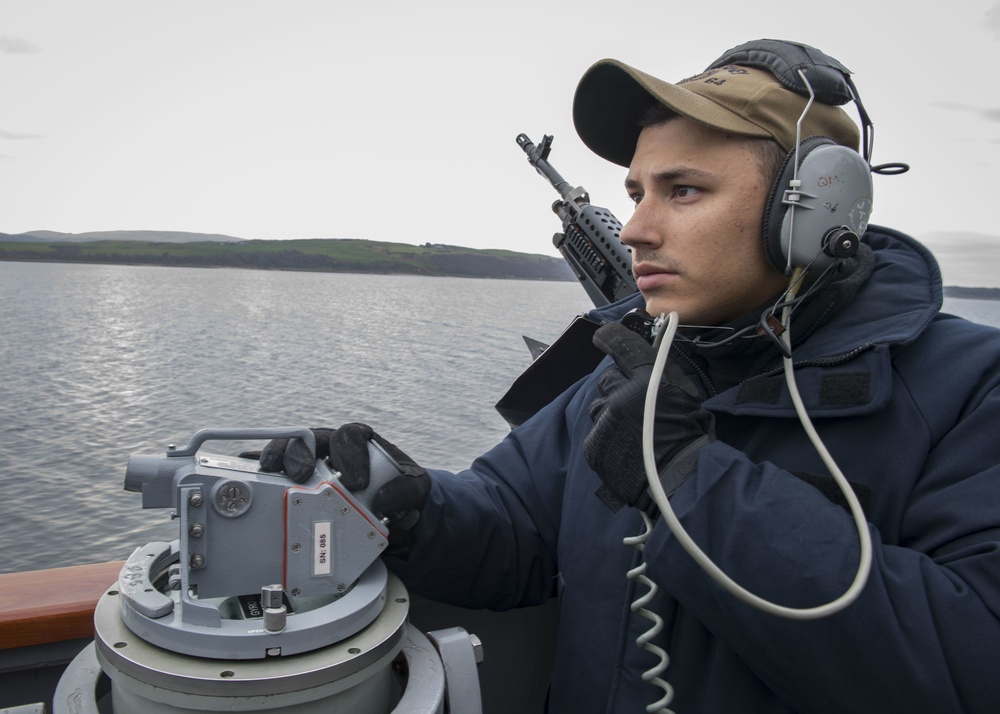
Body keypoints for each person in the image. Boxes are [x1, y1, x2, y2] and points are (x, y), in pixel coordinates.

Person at [257, 40, 1000, 712]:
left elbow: (967, 665)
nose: (640, 228)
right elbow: (517, 528)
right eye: (637, 194)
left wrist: (688, 481)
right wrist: (405, 502)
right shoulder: (633, 371)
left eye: (683, 191)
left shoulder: (970, 390)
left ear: (810, 210)